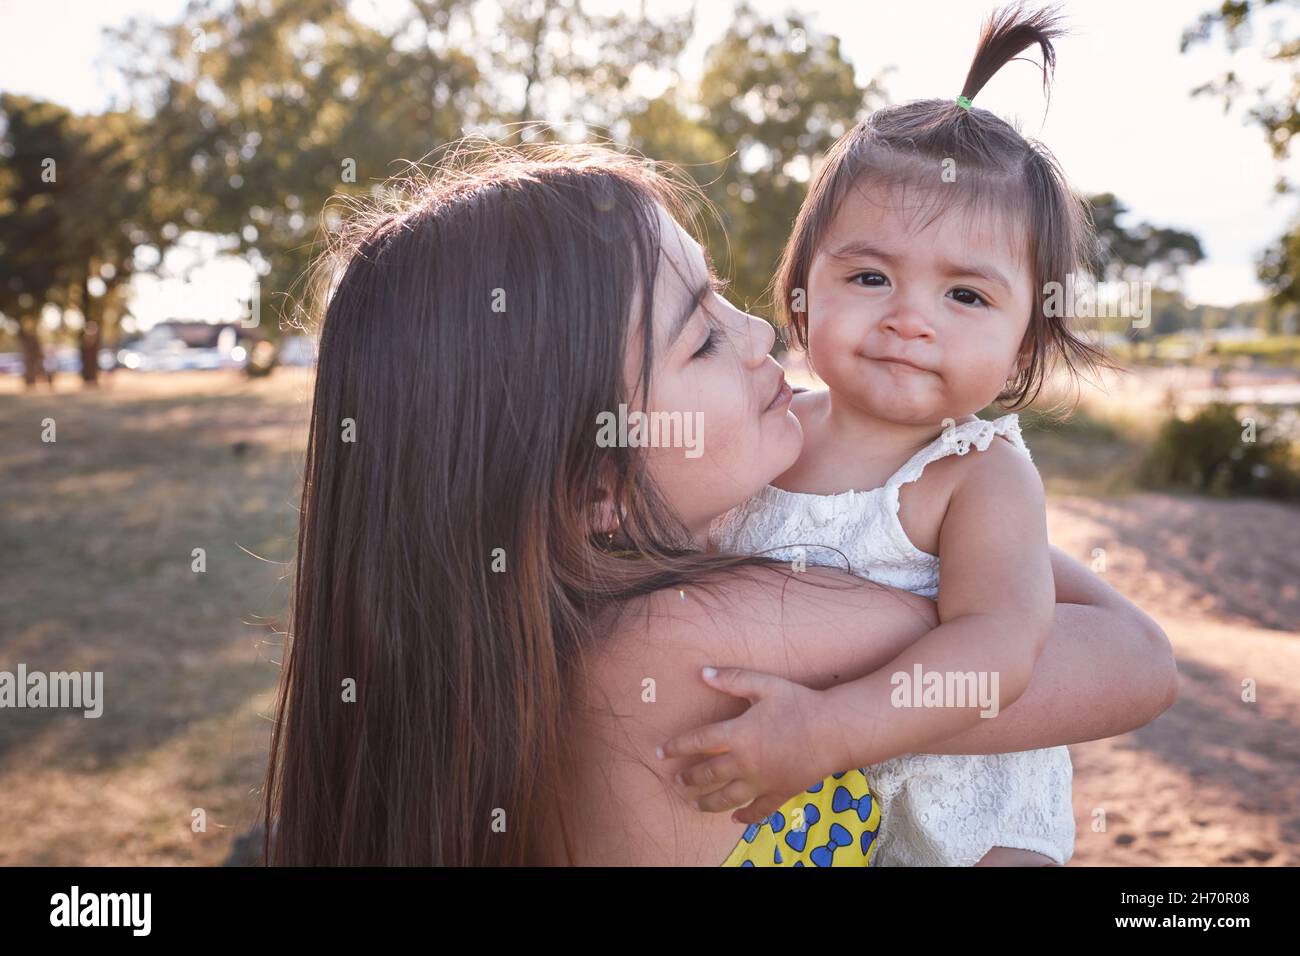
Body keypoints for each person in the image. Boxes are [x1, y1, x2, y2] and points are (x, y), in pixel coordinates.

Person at [262, 137, 1177, 866]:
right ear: (594, 490)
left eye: (725, 297)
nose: (761, 332)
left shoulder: (511, 635)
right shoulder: (684, 641)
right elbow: (1131, 658)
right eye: (701, 336)